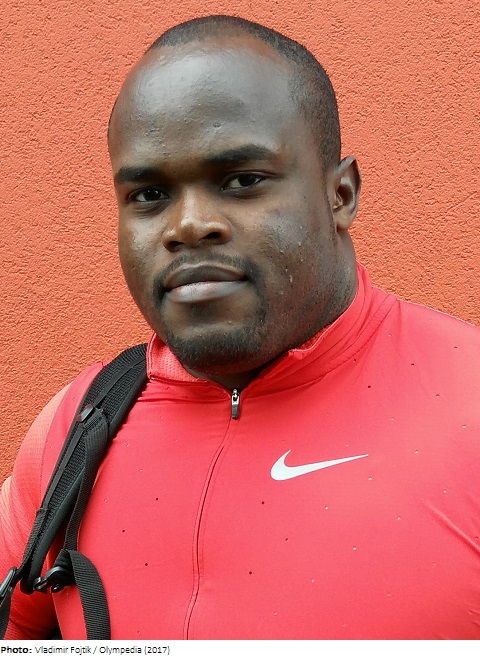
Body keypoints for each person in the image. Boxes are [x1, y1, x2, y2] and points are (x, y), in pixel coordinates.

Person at [1, 14, 480, 640]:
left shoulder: (467, 402)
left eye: (243, 180)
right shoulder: (76, 428)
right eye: (148, 195)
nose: (189, 225)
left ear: (341, 194)